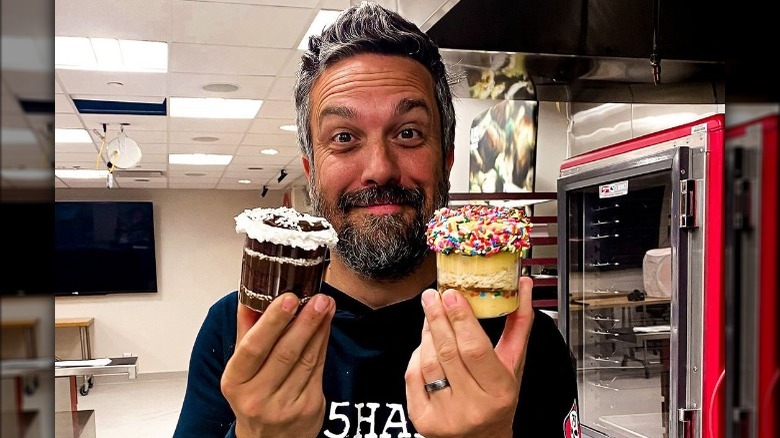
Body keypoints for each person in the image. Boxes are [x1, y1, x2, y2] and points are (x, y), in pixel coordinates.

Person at [174, 2, 580, 437]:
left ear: (445, 161)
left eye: (408, 132)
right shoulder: (240, 328)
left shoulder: (523, 341)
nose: (379, 168)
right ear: (311, 172)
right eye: (344, 138)